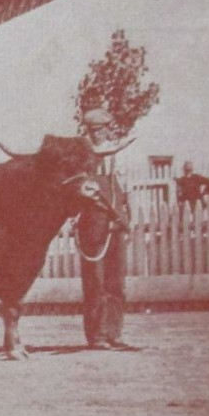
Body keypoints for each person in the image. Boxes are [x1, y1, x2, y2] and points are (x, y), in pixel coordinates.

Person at [77, 108, 131, 351]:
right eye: (95, 130)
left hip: (117, 222)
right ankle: (97, 335)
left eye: (103, 129)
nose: (100, 134)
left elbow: (126, 191)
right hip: (94, 223)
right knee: (95, 281)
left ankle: (114, 333)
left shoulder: (120, 157)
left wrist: (124, 218)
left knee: (116, 282)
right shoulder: (82, 157)